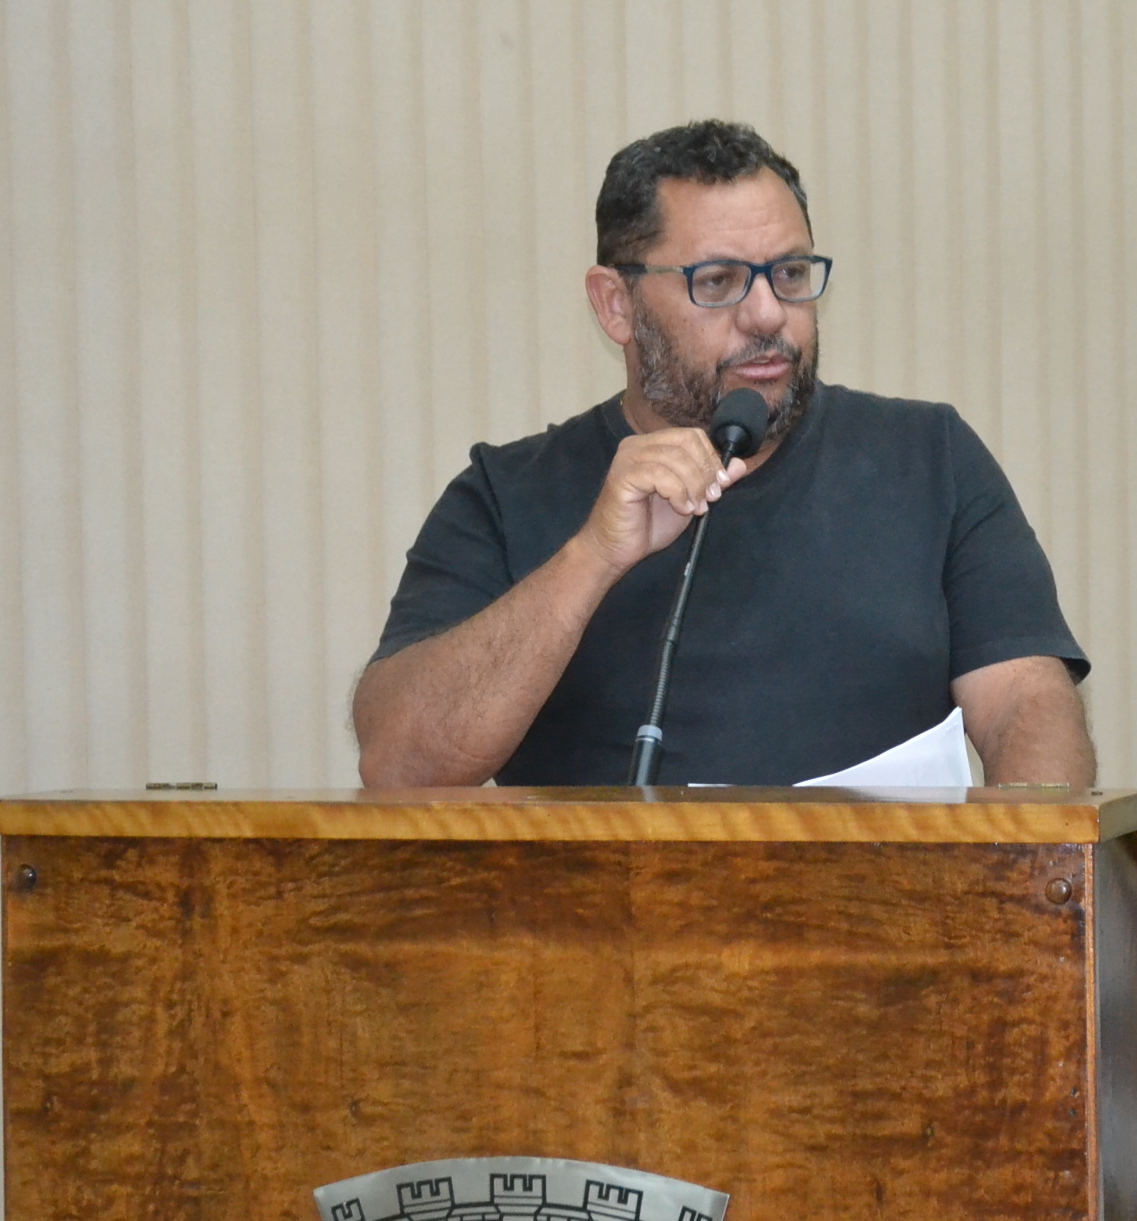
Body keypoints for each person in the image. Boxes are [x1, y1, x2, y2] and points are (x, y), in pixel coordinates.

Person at [352, 120, 1095, 788]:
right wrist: (592, 557)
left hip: (886, 900)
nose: (767, 314)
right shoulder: (505, 493)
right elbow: (400, 764)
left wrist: (1026, 865)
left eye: (790, 274)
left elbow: (1025, 705)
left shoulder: (930, 459)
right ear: (616, 304)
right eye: (718, 282)